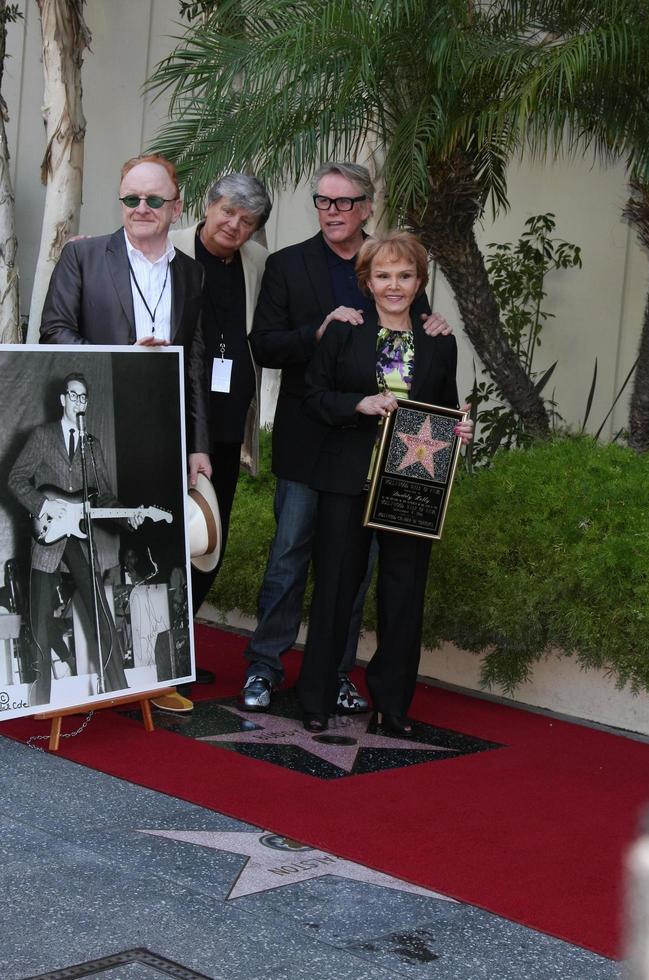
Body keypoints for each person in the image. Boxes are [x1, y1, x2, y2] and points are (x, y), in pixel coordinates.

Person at [243, 161, 453, 714]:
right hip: (309, 434)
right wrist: (319, 331)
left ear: (366, 207)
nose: (331, 211)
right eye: (322, 201)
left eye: (343, 202)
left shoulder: (390, 260)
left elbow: (411, 339)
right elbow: (262, 346)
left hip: (371, 449)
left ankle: (337, 672)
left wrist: (434, 326)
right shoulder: (288, 264)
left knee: (350, 568)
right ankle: (264, 667)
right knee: (289, 555)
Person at [39, 153, 212, 714]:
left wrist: (199, 447)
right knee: (97, 555)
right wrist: (118, 356)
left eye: (153, 200)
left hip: (164, 434)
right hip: (100, 427)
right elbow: (53, 332)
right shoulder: (85, 255)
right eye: (131, 198)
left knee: (161, 552)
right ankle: (78, 680)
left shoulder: (190, 272)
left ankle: (157, 676)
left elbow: (196, 365)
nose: (140, 209)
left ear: (175, 205)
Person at [297, 231, 473, 733]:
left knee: (404, 592)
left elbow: (443, 407)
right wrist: (358, 403)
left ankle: (392, 706)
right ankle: (317, 698)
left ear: (419, 282)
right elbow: (313, 398)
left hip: (411, 482)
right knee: (333, 588)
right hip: (346, 478)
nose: (394, 285)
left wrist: (460, 428)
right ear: (367, 281)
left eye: (404, 275)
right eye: (383, 276)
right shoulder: (344, 331)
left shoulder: (440, 341)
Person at [8, 373, 145, 707]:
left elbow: (106, 497)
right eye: (73, 395)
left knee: (100, 612)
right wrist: (44, 504)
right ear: (62, 400)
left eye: (84, 398)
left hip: (80, 538)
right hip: (48, 536)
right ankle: (42, 704)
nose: (78, 402)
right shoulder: (42, 436)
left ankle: (118, 691)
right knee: (40, 624)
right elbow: (16, 478)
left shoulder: (91, 445)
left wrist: (128, 516)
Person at [170, 173, 271, 614]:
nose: (234, 225)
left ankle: (183, 644)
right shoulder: (168, 245)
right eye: (228, 211)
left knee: (210, 533)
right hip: (172, 416)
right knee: (166, 531)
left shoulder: (258, 262)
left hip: (228, 422)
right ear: (208, 206)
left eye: (246, 220)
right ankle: (158, 648)